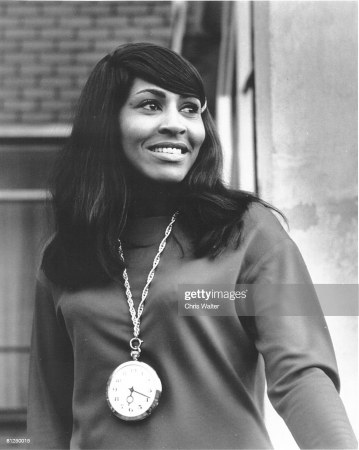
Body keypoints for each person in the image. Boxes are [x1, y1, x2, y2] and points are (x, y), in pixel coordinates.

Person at [27, 43, 357, 449]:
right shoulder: (63, 254)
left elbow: (301, 373)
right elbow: (48, 415)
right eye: (150, 105)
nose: (177, 124)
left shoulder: (247, 232)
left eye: (190, 108)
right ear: (105, 123)